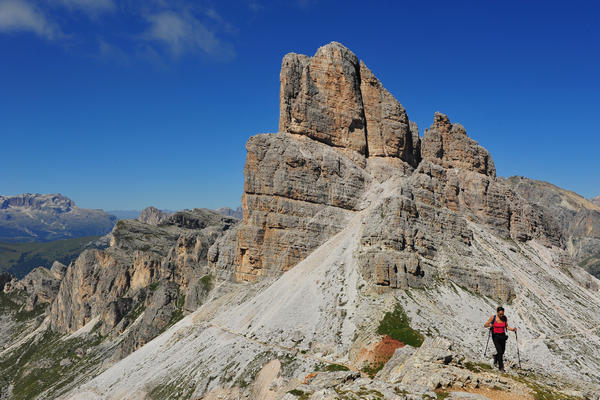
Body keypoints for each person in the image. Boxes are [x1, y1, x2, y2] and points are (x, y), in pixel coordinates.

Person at [484, 306, 517, 372]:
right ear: (497, 313)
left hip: (502, 336)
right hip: (495, 336)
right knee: (500, 352)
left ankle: (495, 357)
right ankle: (501, 367)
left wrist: (512, 329)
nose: (501, 315)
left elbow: (506, 326)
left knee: (502, 351)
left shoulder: (504, 318)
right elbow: (485, 325)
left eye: (502, 314)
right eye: (500, 314)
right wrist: (490, 325)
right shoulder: (493, 317)